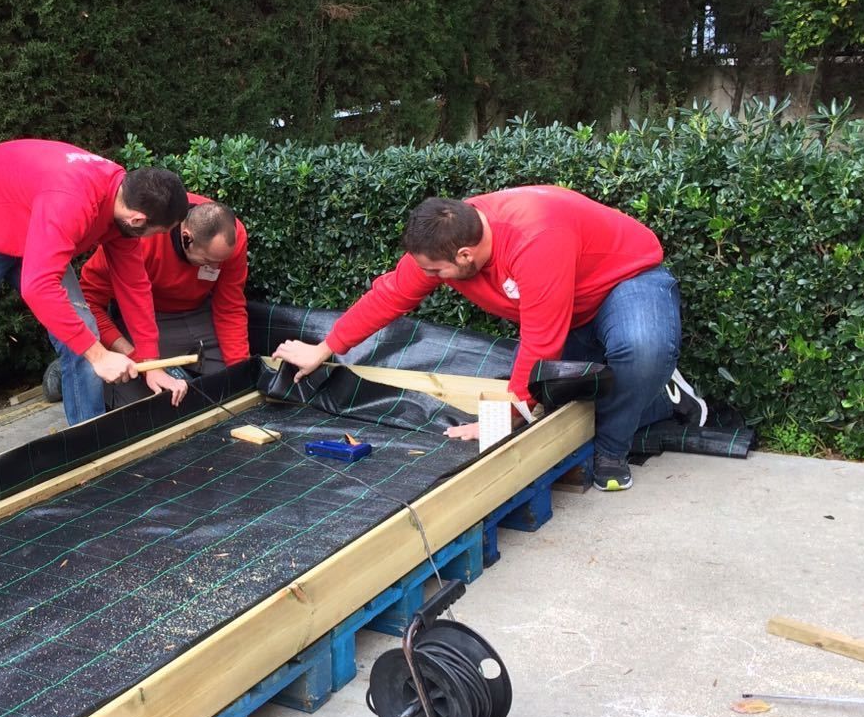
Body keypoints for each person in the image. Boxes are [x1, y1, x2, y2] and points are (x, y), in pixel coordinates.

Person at [272, 187, 702, 491]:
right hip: (567, 302)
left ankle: (611, 449)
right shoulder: (447, 237)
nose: (431, 278)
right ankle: (661, 398)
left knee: (640, 350)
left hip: (626, 283)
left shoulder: (535, 240)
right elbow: (390, 296)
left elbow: (540, 340)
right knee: (561, 394)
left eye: (436, 272)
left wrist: (505, 417)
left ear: (465, 255)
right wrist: (324, 348)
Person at [0, 140, 191, 493]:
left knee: (85, 336)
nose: (158, 239)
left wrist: (151, 362)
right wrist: (99, 356)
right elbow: (38, 287)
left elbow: (134, 284)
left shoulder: (124, 202)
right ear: (138, 219)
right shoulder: (74, 201)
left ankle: (87, 448)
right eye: (158, 232)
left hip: (35, 227)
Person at [78, 195, 250, 408]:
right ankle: (76, 366)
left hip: (199, 316)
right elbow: (87, 303)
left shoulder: (231, 237)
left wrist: (241, 374)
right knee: (154, 403)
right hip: (144, 320)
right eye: (208, 261)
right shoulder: (141, 237)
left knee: (228, 388)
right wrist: (137, 359)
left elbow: (230, 307)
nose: (215, 268)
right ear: (186, 238)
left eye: (220, 263)